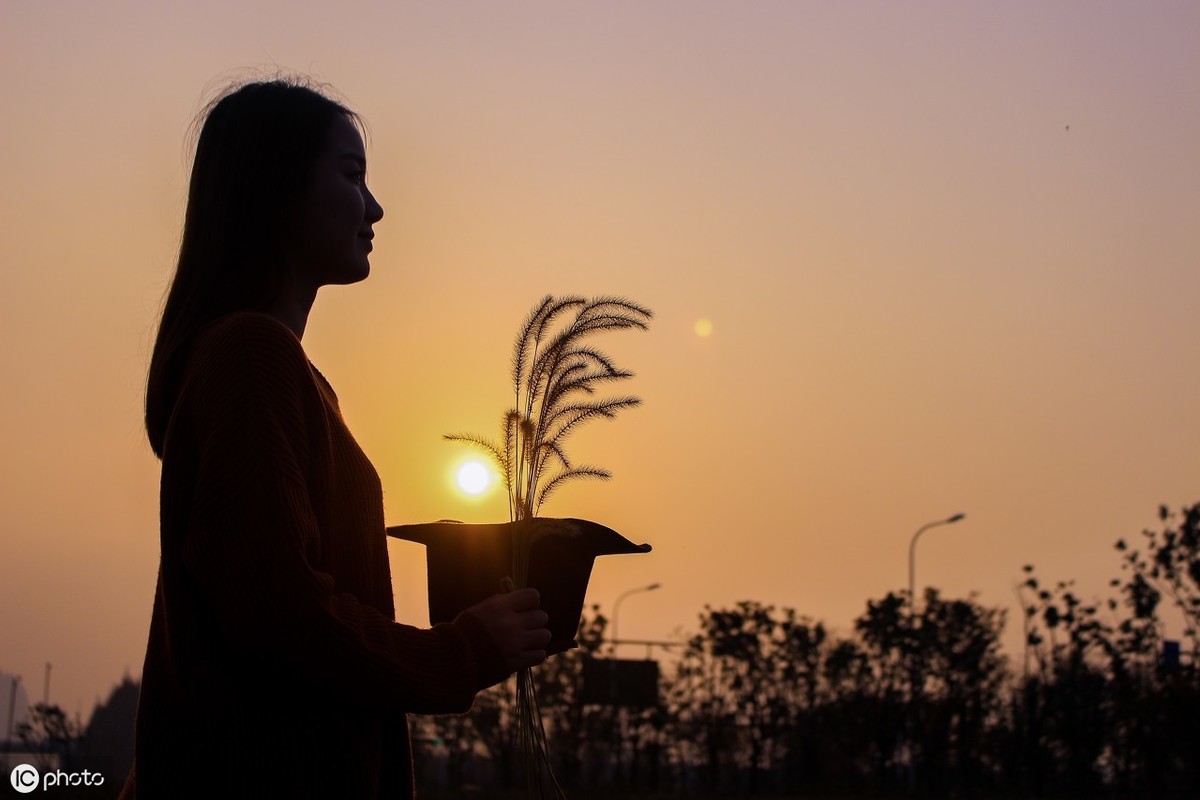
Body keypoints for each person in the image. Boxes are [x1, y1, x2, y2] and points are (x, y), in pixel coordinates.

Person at [123, 78, 552, 799]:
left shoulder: (283, 372)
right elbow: (277, 609)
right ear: (276, 189)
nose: (376, 207)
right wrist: (463, 651)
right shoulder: (248, 356)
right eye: (352, 175)